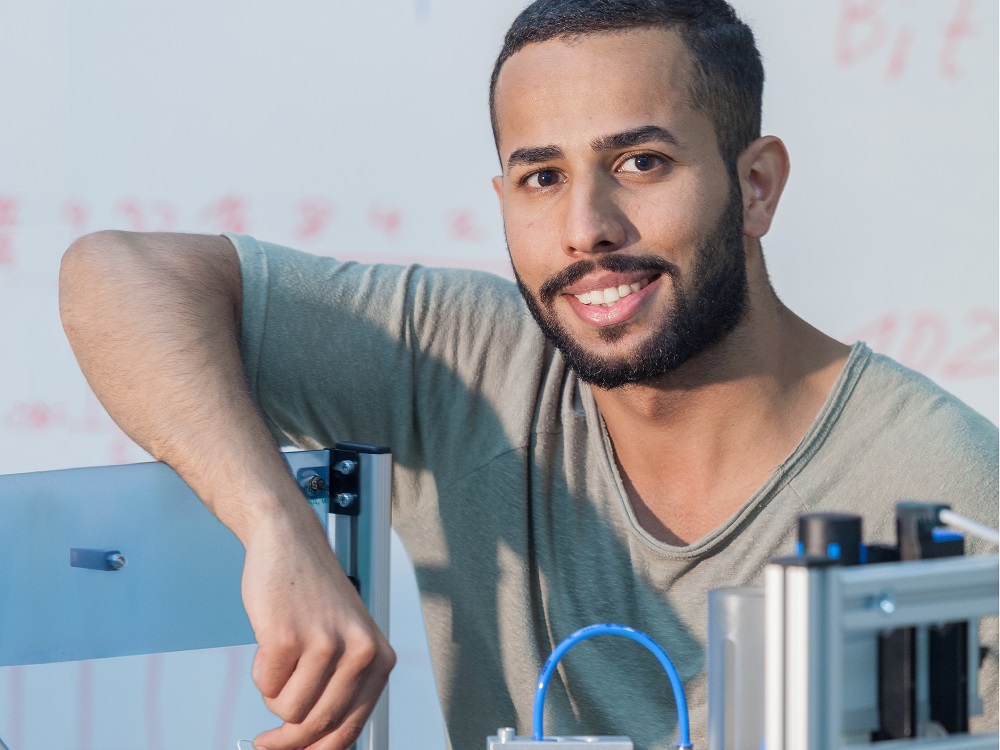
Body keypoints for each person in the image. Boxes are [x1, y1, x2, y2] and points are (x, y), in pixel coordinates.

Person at [58, 1, 997, 749]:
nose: (586, 227)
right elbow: (119, 278)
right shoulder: (464, 361)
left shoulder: (945, 495)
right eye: (542, 177)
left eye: (641, 161)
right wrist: (274, 525)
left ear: (755, 185)